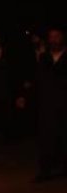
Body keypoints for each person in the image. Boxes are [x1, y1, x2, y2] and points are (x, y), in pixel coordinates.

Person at [33, 27, 67, 182]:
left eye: (57, 36)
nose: (54, 40)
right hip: (47, 104)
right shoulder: (44, 57)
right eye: (51, 37)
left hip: (64, 103)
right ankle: (45, 170)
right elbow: (40, 79)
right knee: (46, 137)